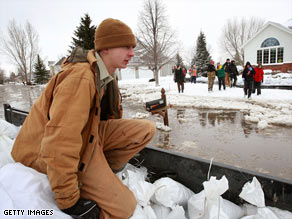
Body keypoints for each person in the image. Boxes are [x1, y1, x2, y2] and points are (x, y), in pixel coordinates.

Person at [11, 18, 156, 219]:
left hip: (88, 136)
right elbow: (59, 140)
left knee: (145, 130)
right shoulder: (81, 77)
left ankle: (102, 171)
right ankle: (88, 177)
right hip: (43, 150)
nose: (132, 53)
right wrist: (69, 201)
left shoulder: (107, 76)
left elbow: (105, 118)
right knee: (125, 207)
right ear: (105, 49)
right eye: (126, 46)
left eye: (132, 47)